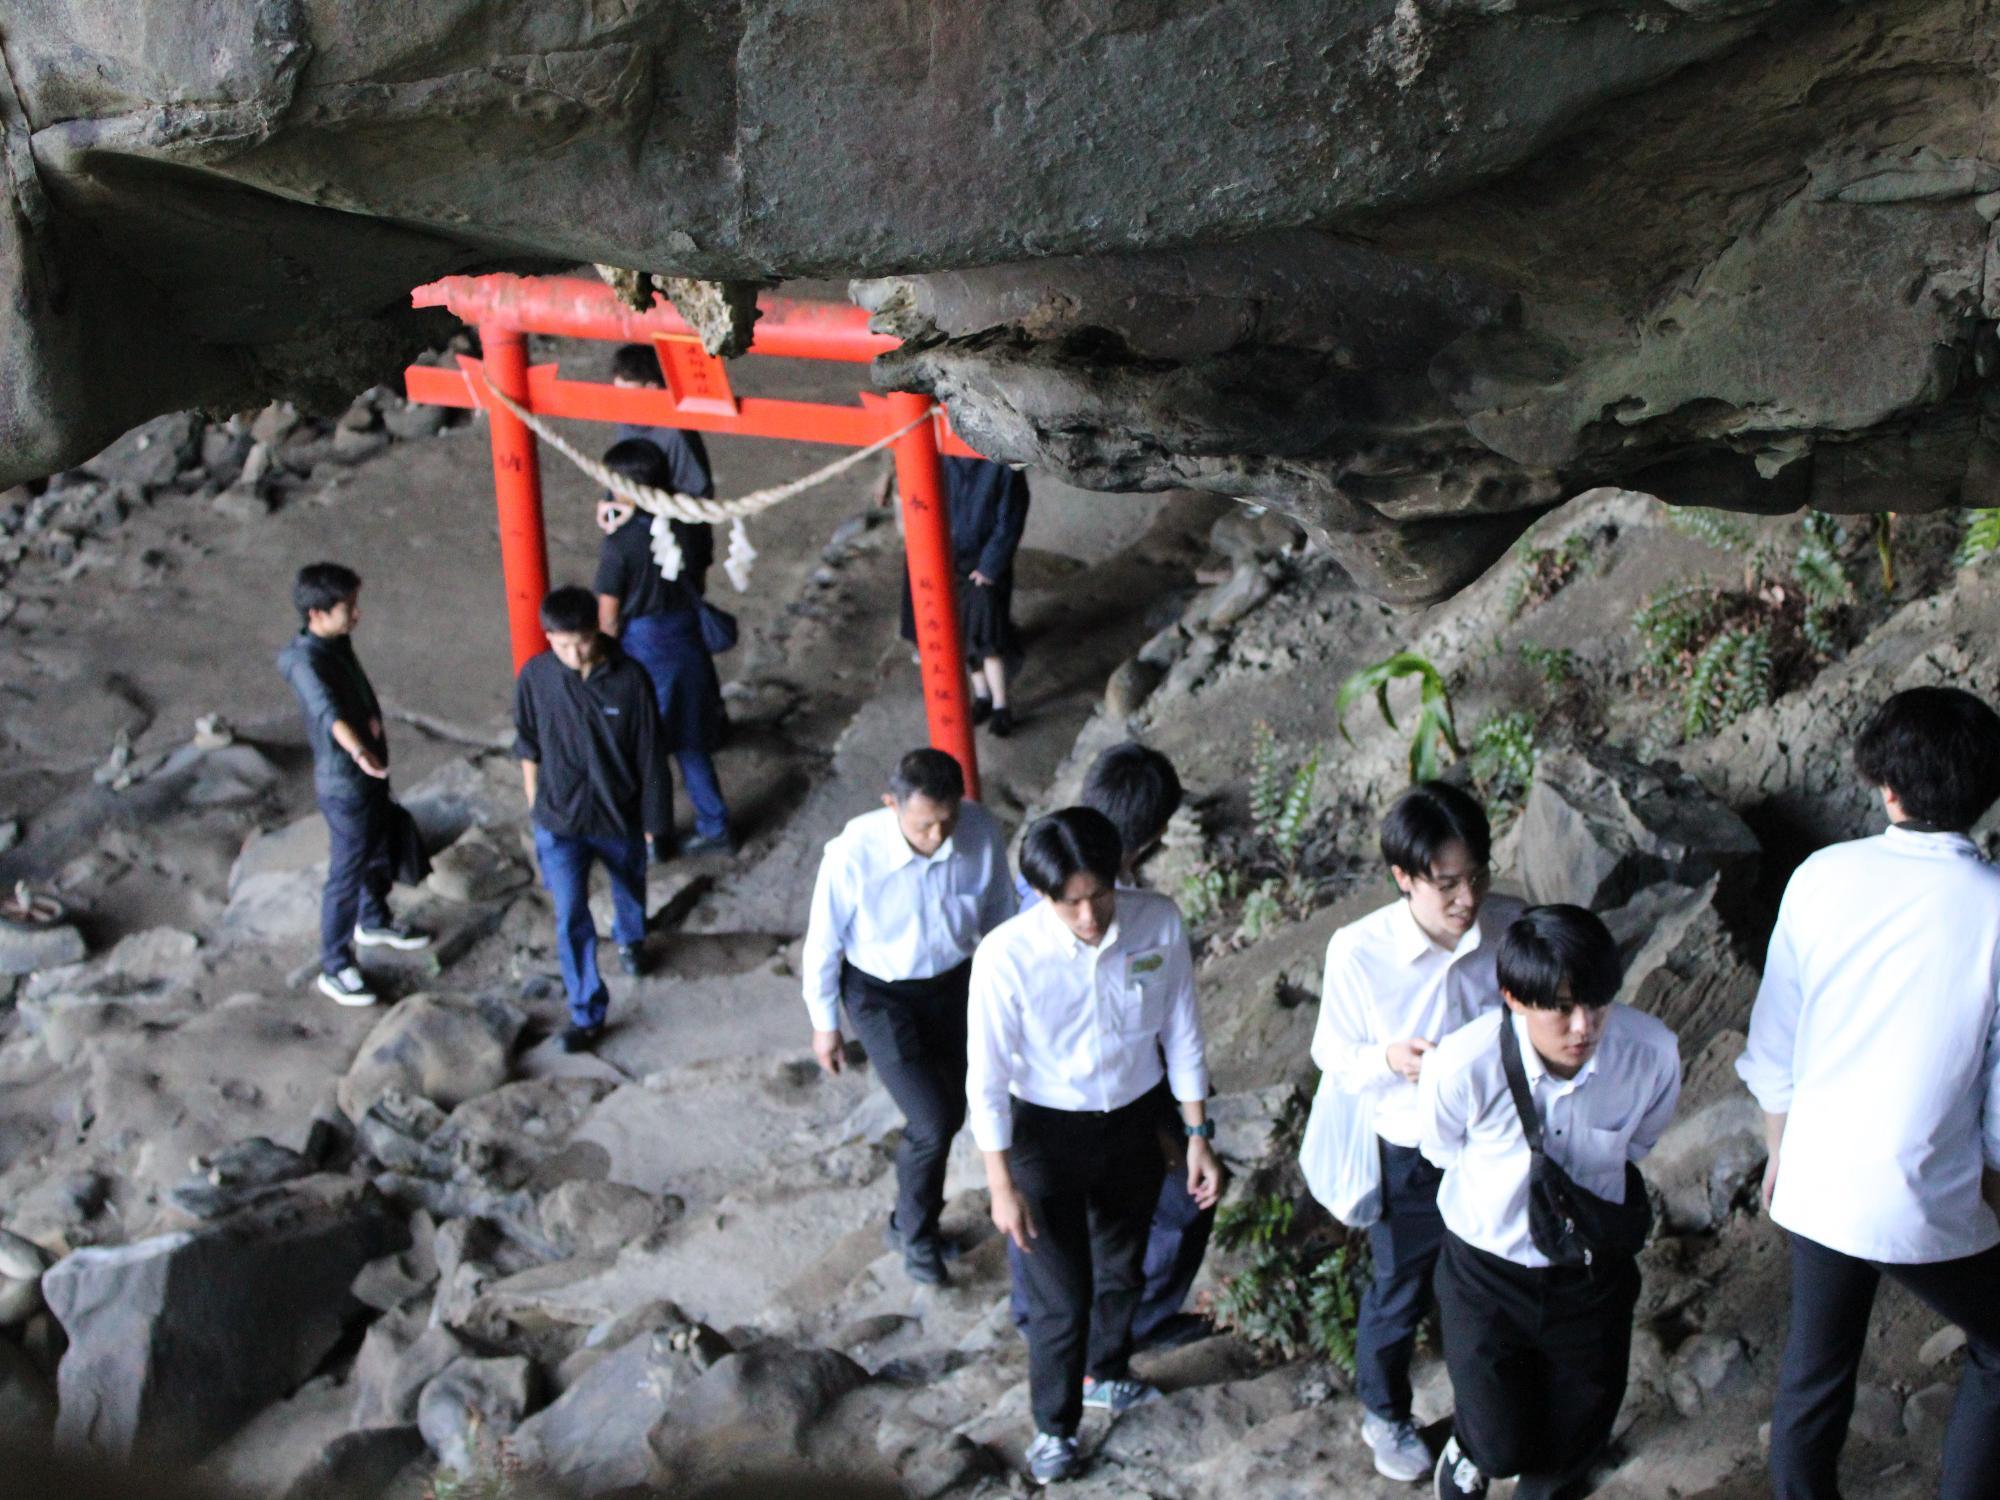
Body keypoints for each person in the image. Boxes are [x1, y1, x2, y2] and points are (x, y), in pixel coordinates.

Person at [1736, 686, 2000, 1500]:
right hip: (1915, 1186)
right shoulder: (1995, 908)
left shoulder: (1822, 875)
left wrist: (1783, 1154)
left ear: (1886, 790)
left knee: (1815, 1373)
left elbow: (1773, 1039)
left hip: (1813, 1172)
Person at [968, 807, 1223, 1485]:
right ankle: (1054, 1427)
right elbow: (987, 1080)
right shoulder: (1007, 956)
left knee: (1123, 1269)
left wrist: (1195, 1134)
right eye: (1070, 903)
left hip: (1135, 1121)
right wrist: (1000, 1185)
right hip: (1044, 1136)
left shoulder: (1156, 921)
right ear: (1042, 895)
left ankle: (1107, 1372)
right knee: (1060, 1299)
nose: (1089, 917)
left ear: (1120, 873)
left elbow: (1183, 1032)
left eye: (1099, 895)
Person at [1420, 904, 1681, 1500]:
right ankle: (1471, 1451)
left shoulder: (1650, 1055)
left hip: (1589, 1276)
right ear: (1514, 998)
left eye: (1597, 1002)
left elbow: (1639, 1142)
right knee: (1499, 1442)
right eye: (1560, 1007)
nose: (1584, 1026)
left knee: (1574, 1437)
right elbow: (1440, 1150)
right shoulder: (1464, 1065)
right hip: (1486, 1273)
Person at [1311, 782, 1520, 1482]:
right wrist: (1388, 1060)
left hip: (1495, 1143)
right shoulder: (1359, 951)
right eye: (1448, 885)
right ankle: (1385, 1412)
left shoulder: (1508, 924)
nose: (1468, 899)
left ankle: (1493, 1419)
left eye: (1477, 876)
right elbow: (1331, 1053)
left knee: (1495, 1283)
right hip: (1409, 1149)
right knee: (1400, 1288)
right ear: (1404, 878)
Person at [1006, 743, 1219, 1351]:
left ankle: (1055, 1319)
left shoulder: (1057, 864)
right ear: (1153, 833)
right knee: (1183, 1199)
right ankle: (1120, 1330)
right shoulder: (1091, 900)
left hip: (1085, 1087)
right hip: (1093, 1091)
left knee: (1054, 1214)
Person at [800, 748, 1015, 1284]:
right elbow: (823, 942)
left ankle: (914, 1220)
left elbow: (999, 917)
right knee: (934, 1120)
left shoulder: (980, 831)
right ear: (891, 804)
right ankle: (913, 1235)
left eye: (947, 822)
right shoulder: (853, 853)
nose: (938, 837)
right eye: (923, 826)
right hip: (881, 994)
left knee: (974, 1096)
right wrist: (824, 1022)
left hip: (956, 982)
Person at [513, 586, 670, 1052]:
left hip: (616, 811)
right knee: (570, 914)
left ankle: (631, 937)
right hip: (559, 818)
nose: (573, 653)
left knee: (628, 881)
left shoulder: (631, 679)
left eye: (580, 641)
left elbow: (650, 752)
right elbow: (527, 739)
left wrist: (653, 817)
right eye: (560, 644)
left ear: (596, 632)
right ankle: (586, 1013)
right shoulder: (537, 676)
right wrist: (532, 795)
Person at [277, 562, 430, 1007]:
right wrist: (360, 751)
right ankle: (335, 965)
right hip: (345, 781)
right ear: (317, 615)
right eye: (348, 608)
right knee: (345, 872)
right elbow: (328, 713)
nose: (356, 615)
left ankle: (375, 917)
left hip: (368, 774)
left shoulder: (336, 640)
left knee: (378, 846)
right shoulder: (304, 660)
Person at [595, 439, 734, 858]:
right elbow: (702, 579)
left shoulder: (620, 545)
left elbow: (608, 617)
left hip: (644, 648)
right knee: (691, 742)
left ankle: (653, 836)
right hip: (687, 638)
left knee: (644, 746)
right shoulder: (690, 524)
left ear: (624, 487)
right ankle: (716, 826)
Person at [900, 457, 1029, 736]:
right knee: (962, 635)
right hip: (948, 561)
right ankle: (982, 696)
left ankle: (1000, 705)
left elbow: (1010, 520)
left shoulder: (1001, 464)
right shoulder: (941, 457)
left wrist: (989, 566)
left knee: (989, 639)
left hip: (984, 566)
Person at [606, 342, 716, 596]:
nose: (621, 401)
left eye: (628, 392)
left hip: (680, 540)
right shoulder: (627, 419)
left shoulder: (675, 434)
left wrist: (640, 508)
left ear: (652, 389)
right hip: (636, 531)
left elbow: (697, 493)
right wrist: (610, 502)